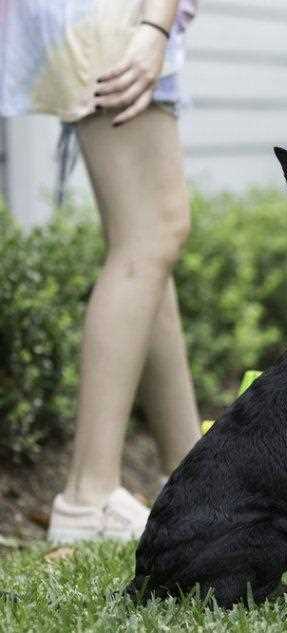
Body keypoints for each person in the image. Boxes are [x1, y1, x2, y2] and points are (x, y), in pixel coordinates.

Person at [0, 0, 201, 542]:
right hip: (115, 17)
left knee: (146, 239)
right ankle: (88, 498)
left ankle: (196, 478)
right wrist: (154, 25)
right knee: (151, 234)